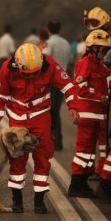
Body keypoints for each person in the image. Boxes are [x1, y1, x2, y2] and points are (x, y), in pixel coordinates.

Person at [0, 43, 78, 214]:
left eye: (35, 73)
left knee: (43, 156)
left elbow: (69, 86)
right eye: (27, 73)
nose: (31, 76)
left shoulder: (49, 65)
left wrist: (73, 106)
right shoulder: (7, 68)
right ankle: (17, 200)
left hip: (40, 115)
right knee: (17, 158)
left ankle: (39, 200)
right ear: (18, 65)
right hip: (17, 117)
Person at [67, 30, 111, 198]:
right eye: (102, 50)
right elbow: (80, 88)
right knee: (83, 151)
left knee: (89, 153)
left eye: (107, 50)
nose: (104, 53)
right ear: (92, 48)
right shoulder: (85, 63)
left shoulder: (102, 66)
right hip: (87, 114)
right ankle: (76, 184)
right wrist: (100, 96)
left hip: (97, 116)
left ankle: (82, 182)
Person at [83, 6, 111, 189]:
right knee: (99, 136)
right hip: (102, 90)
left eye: (94, 23)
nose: (91, 27)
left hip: (109, 89)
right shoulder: (100, 39)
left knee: (103, 135)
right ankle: (97, 169)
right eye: (89, 23)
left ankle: (101, 170)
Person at [42, 20, 71, 151]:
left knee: (49, 111)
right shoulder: (66, 43)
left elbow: (45, 60)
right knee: (55, 111)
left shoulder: (49, 43)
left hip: (52, 81)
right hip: (62, 80)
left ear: (48, 29)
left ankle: (52, 141)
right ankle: (57, 142)